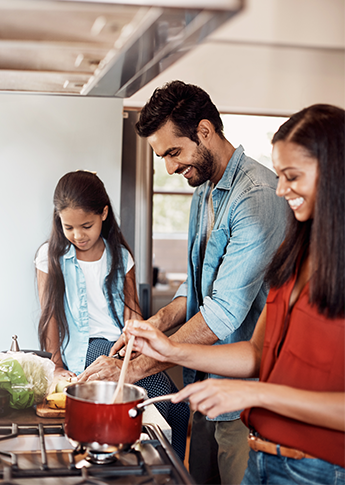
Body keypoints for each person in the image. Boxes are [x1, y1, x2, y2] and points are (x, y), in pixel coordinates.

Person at [123, 104, 345, 485]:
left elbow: (225, 312)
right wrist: (171, 350)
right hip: (263, 453)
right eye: (279, 175)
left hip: (316, 468)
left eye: (292, 176)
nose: (280, 190)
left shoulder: (254, 198)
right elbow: (258, 353)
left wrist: (255, 396)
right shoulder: (296, 254)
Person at [79, 81, 287, 484]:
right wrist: (156, 323)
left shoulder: (256, 197)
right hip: (204, 389)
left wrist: (133, 368)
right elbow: (195, 286)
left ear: (205, 131)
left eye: (173, 152)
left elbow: (221, 315)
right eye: (163, 157)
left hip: (245, 400)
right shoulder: (205, 190)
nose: (170, 168)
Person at [35, 170, 190, 460]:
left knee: (178, 403)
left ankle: (169, 472)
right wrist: (55, 365)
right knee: (154, 391)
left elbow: (133, 314)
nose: (78, 235)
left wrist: (137, 350)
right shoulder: (50, 256)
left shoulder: (120, 256)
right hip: (88, 348)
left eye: (86, 225)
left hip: (120, 346)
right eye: (68, 227)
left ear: (104, 213)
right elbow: (49, 315)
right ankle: (141, 463)